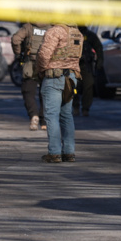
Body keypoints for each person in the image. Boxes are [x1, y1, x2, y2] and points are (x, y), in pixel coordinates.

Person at [36, 23, 83, 163]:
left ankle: (54, 153)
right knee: (66, 116)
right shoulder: (77, 33)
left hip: (54, 77)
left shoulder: (55, 31)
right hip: (72, 78)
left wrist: (40, 70)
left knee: (52, 115)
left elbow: (44, 55)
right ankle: (69, 152)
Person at [73, 25, 102, 117]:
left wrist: (99, 62)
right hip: (73, 65)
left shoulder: (89, 35)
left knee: (89, 84)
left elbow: (98, 48)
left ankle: (85, 108)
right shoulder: (70, 34)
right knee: (74, 88)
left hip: (86, 65)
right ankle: (75, 105)